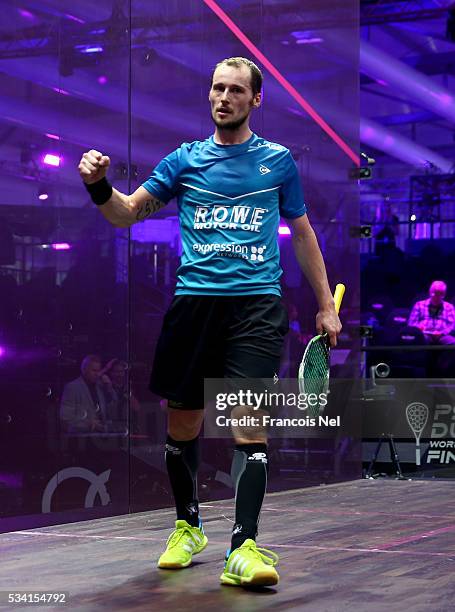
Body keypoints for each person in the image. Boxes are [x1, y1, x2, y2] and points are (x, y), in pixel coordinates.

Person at [77, 56, 341, 588]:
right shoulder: (184, 161)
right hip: (193, 307)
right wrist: (100, 186)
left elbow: (304, 234)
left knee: (249, 422)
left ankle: (243, 547)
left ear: (255, 100)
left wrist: (325, 304)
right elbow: (127, 212)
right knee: (184, 425)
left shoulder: (278, 163)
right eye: (217, 88)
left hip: (256, 308)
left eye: (236, 90)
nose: (223, 97)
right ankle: (188, 525)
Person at [60, 355, 107, 433]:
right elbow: (65, 419)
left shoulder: (100, 387)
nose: (97, 374)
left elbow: (111, 412)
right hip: (82, 440)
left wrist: (109, 388)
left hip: (102, 438)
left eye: (98, 371)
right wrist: (88, 424)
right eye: (94, 370)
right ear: (84, 370)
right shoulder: (72, 387)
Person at [408, 280, 455, 345]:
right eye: (434, 293)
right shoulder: (419, 305)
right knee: (418, 340)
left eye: (439, 294)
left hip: (443, 335)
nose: (436, 296)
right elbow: (411, 323)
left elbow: (452, 325)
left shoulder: (449, 307)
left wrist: (442, 333)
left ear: (443, 295)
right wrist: (420, 328)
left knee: (453, 342)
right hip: (423, 334)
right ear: (430, 292)